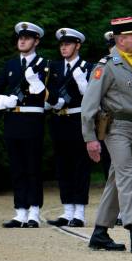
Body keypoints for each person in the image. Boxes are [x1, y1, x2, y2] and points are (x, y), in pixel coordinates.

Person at [80, 15, 132, 252]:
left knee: (116, 180)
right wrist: (90, 139)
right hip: (114, 129)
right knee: (127, 176)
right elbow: (89, 106)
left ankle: (99, 233)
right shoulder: (105, 67)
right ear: (121, 39)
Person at [0, 21, 50, 228]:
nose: (22, 40)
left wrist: (39, 85)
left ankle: (34, 211)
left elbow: (50, 98)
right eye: (20, 38)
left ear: (36, 41)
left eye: (26, 38)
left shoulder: (45, 64)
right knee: (17, 167)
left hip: (32, 120)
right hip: (12, 121)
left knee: (32, 166)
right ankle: (20, 211)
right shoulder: (11, 65)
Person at [46, 27, 93, 227]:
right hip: (59, 120)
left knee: (80, 165)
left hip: (78, 119)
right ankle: (67, 210)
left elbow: (93, 97)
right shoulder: (54, 68)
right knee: (63, 165)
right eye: (62, 44)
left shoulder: (87, 67)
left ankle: (80, 212)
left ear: (77, 45)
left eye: (68, 44)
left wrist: (84, 84)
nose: (63, 47)